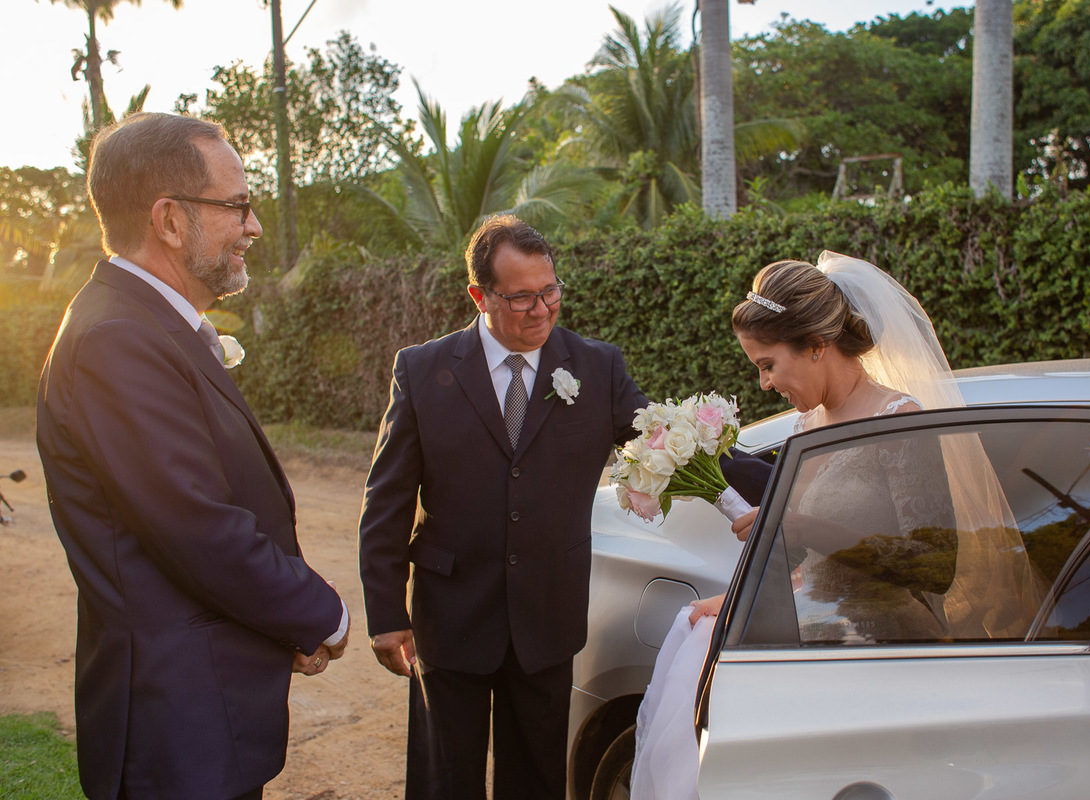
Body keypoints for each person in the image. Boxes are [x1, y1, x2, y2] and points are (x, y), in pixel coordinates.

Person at [631, 252, 1039, 799]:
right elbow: (806, 564)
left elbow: (935, 565)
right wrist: (736, 599)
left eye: (768, 365)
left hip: (879, 654)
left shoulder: (898, 420)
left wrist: (804, 527)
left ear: (817, 346)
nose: (763, 384)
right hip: (811, 636)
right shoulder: (807, 426)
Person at [36, 112, 350, 800]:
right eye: (237, 205)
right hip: (175, 734)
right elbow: (197, 527)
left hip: (197, 723)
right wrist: (320, 614)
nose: (253, 226)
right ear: (171, 221)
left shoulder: (139, 324)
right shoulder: (117, 338)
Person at [358, 214, 648, 800]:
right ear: (479, 296)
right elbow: (387, 501)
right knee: (445, 781)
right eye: (521, 297)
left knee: (537, 781)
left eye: (550, 291)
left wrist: (752, 491)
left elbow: (667, 445)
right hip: (451, 615)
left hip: (548, 615)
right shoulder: (422, 370)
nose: (541, 309)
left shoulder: (598, 367)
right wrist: (386, 611)